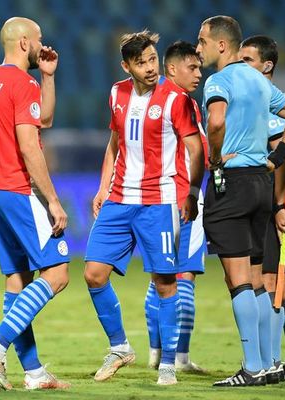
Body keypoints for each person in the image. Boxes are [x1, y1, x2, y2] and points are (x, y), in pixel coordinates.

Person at [84, 30, 204, 386]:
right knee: (93, 274)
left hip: (160, 201)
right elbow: (114, 143)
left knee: (165, 283)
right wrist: (103, 187)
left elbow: (196, 150)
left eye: (153, 59)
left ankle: (167, 364)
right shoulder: (116, 94)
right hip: (120, 198)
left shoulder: (176, 99)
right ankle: (120, 346)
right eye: (142, 62)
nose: (151, 68)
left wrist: (192, 192)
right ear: (126, 66)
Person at [196, 15, 285, 387]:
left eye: (203, 41)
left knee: (238, 279)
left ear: (221, 45)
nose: (199, 49)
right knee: (259, 277)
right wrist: (274, 161)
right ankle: (270, 364)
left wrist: (214, 158)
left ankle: (253, 367)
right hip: (262, 184)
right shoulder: (260, 81)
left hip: (232, 183)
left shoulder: (219, 80)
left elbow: (215, 122)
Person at [0, 17, 70, 391]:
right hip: (18, 190)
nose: (43, 45)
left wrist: (48, 76)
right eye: (39, 40)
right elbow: (30, 144)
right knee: (57, 274)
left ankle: (34, 373)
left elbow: (42, 118)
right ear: (25, 42)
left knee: (17, 279)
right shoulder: (19, 82)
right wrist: (53, 200)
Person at [240, 35, 285, 383]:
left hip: (274, 202)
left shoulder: (265, 100)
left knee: (266, 281)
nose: (242, 65)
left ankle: (268, 363)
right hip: (278, 199)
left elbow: (284, 155)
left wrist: (280, 204)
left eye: (248, 59)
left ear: (266, 66)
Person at [144, 40, 208, 374]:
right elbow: (200, 153)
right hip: (184, 198)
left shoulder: (150, 98)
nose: (199, 73)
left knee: (159, 278)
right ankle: (179, 357)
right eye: (192, 67)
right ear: (172, 68)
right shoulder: (183, 102)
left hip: (154, 200)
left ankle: (156, 353)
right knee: (183, 278)